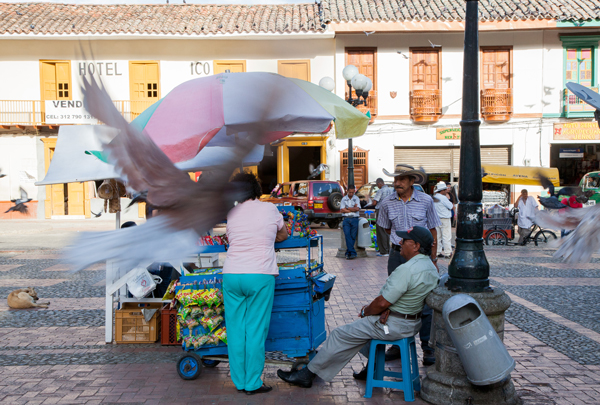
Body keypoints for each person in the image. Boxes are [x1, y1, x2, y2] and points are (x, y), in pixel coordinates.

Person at [276, 226, 439, 388]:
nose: (400, 243)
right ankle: (371, 369)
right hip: (411, 323)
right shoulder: (431, 267)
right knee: (363, 330)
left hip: (395, 325)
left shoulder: (407, 269)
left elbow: (382, 302)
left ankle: (306, 374)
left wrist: (366, 311)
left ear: (416, 246)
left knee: (340, 334)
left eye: (405, 240)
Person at [222, 172, 288, 395]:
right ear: (256, 190)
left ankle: (239, 381)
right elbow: (283, 235)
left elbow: (232, 239)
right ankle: (252, 383)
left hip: (232, 274)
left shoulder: (231, 212)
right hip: (259, 274)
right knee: (255, 330)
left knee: (236, 330)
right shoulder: (270, 209)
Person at [376, 164, 441, 366]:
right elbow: (387, 229)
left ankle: (427, 347)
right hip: (397, 255)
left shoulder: (426, 200)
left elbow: (432, 229)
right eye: (396, 179)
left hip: (422, 256)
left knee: (426, 299)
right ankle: (397, 344)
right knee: (395, 299)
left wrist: (433, 258)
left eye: (402, 179)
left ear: (412, 181)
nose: (397, 183)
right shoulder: (387, 203)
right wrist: (403, 245)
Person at [372, 178, 394, 257]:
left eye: (377, 185)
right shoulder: (391, 190)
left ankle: (383, 251)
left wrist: (371, 201)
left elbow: (375, 202)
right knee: (387, 230)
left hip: (381, 211)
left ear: (379, 183)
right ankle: (388, 249)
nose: (378, 186)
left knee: (380, 231)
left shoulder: (380, 191)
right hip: (389, 212)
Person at [433, 181, 453, 258]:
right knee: (446, 236)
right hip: (445, 219)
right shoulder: (443, 198)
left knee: (438, 236)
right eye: (445, 190)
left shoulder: (434, 197)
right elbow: (450, 206)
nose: (446, 191)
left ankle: (437, 252)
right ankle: (448, 253)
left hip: (436, 219)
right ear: (442, 190)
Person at [340, 185, 361, 260]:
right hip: (346, 219)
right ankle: (352, 252)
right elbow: (342, 210)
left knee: (353, 236)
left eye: (353, 192)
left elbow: (357, 209)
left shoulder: (356, 198)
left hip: (354, 219)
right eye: (350, 192)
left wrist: (348, 208)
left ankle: (348, 252)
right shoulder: (343, 199)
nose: (351, 194)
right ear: (347, 191)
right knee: (347, 235)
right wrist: (353, 208)